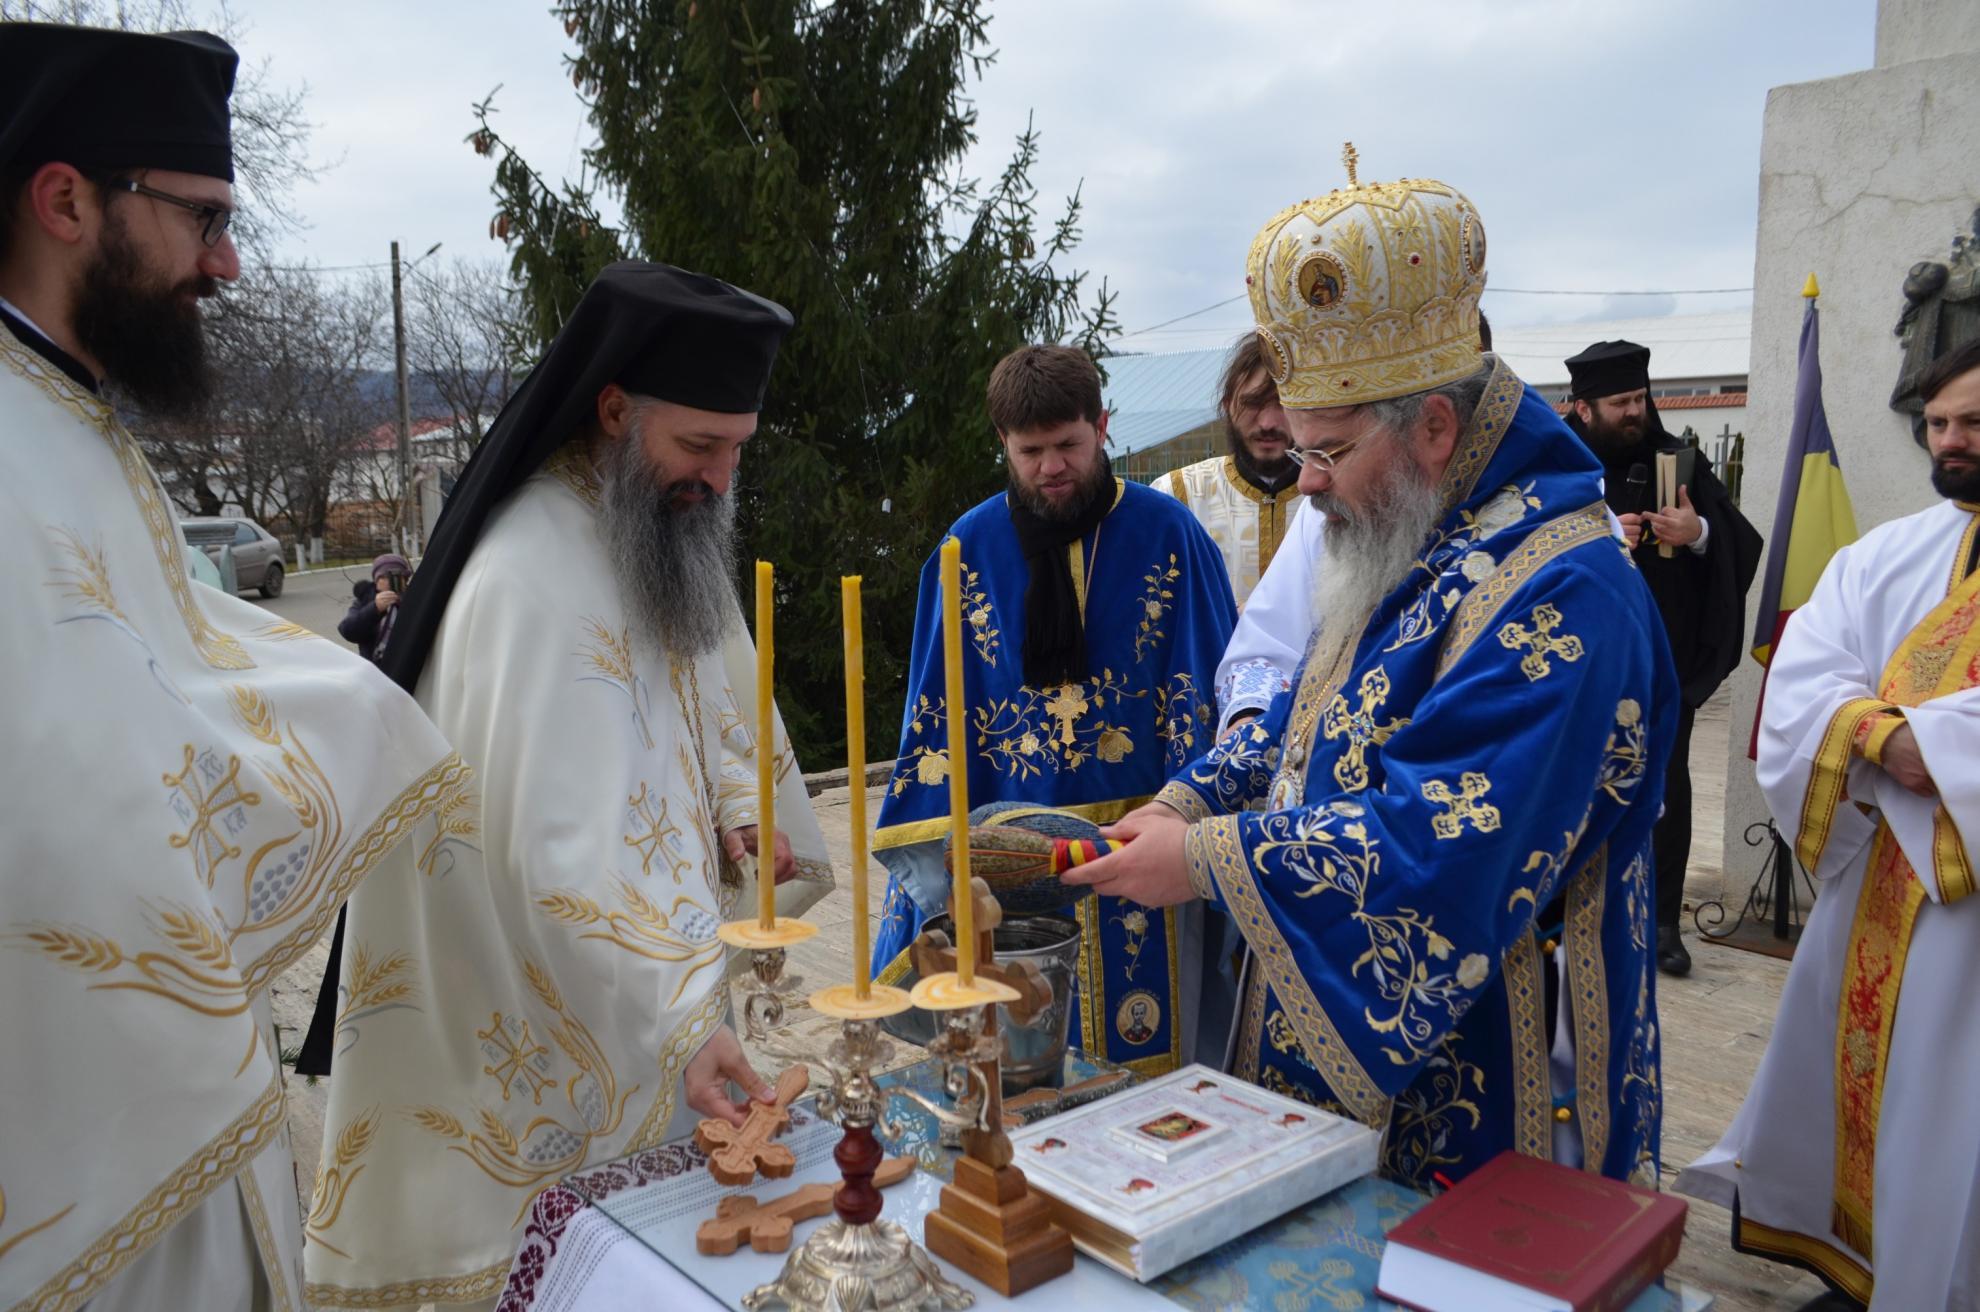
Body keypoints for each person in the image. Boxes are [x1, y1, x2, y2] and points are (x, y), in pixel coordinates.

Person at [1060, 161, 1678, 1190]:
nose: (1305, 484)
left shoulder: (1569, 592)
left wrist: (1207, 859)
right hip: (1357, 1066)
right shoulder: (1416, 527)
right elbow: (1314, 712)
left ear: (1435, 426)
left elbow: (1444, 844)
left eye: (1330, 451)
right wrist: (1190, 797)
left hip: (1502, 1084)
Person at [0, 24, 466, 1312]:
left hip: (174, 1091)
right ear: (66, 201)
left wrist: (348, 722)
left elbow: (167, 664)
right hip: (80, 1119)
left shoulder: (67, 414)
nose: (228, 260)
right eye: (201, 217)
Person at [298, 263, 834, 1311]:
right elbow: (556, 842)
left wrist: (739, 805)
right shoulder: (529, 575)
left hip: (644, 982)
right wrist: (683, 1019)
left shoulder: (648, 517)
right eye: (702, 444)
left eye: (738, 449)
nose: (722, 477)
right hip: (531, 997)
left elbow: (701, 682)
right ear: (615, 410)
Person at [1676, 339, 1980, 1312]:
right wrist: (1874, 734)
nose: (1950, 441)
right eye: (1938, 423)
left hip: (1967, 903)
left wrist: (1934, 745)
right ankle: (1877, 1269)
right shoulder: (1895, 550)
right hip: (1887, 879)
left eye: (1972, 422)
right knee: (1897, 1095)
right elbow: (1808, 656)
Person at [869, 344, 1237, 1075]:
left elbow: (1211, 685)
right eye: (1030, 451)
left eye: (1068, 445)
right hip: (1007, 856)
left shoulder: (1170, 534)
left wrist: (1200, 819)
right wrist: (945, 851)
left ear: (1102, 426)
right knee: (1018, 1060)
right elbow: (935, 713)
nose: (1051, 468)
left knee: (1153, 1061)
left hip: (1143, 842)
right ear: (1003, 443)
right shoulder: (966, 549)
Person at [1563, 340, 1761, 976]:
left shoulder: (1677, 461)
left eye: (1639, 398)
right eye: (1620, 402)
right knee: (1570, 786)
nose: (1635, 411)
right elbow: (1514, 546)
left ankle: (1663, 923)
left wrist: (1696, 533)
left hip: (1660, 662)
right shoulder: (1557, 465)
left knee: (1665, 788)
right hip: (1573, 664)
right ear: (1583, 407)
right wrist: (1596, 538)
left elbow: (1740, 539)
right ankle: (1572, 917)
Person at [1154, 333, 1302, 606]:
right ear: (1227, 407)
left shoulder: (1335, 497)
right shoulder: (1178, 495)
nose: (1267, 423)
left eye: (1282, 403)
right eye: (1252, 404)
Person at [337, 551, 409, 663]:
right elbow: (348, 631)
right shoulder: (365, 599)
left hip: (405, 662)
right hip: (374, 665)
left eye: (397, 576)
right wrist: (374, 609)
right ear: (376, 580)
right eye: (385, 576)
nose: (390, 581)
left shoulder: (415, 598)